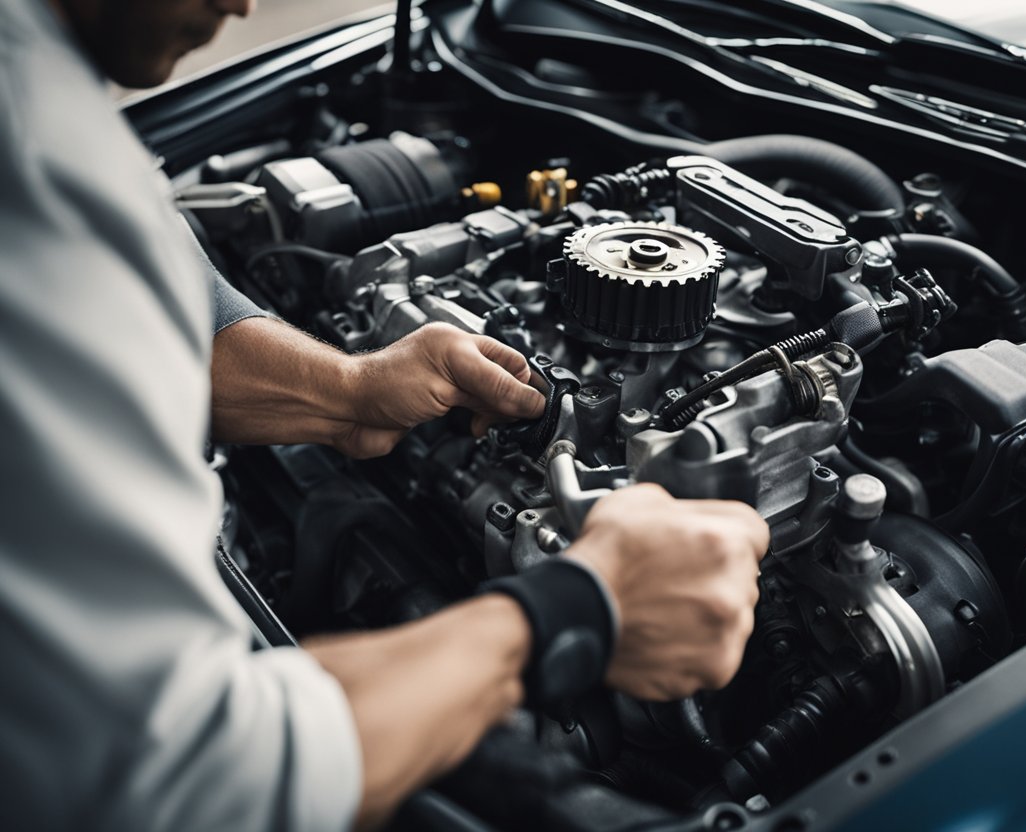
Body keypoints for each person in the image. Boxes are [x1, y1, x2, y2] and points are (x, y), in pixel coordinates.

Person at [0, 0, 770, 829]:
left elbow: (136, 301)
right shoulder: (32, 146)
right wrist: (577, 611)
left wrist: (350, 393)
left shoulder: (42, 90)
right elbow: (187, 778)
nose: (246, 5)